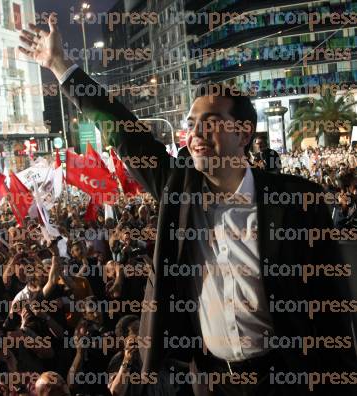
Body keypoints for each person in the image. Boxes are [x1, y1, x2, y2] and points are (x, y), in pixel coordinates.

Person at [18, 16, 357, 395]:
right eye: (191, 123)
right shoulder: (178, 192)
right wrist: (60, 66)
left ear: (243, 132)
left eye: (209, 122)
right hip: (209, 380)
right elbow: (124, 132)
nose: (194, 135)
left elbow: (332, 312)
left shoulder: (297, 202)